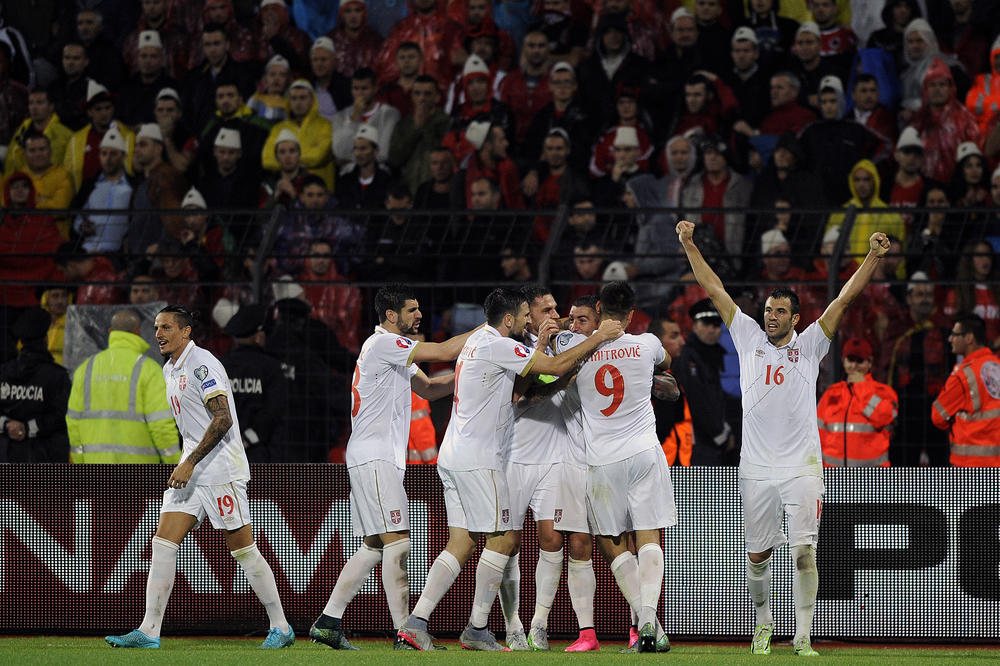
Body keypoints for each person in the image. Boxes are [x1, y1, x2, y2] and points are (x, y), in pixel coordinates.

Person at [676, 218, 891, 656]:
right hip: (756, 469)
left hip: (801, 467)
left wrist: (873, 255)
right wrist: (689, 244)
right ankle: (763, 624)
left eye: (778, 312)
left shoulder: (810, 344)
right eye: (767, 310)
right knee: (758, 556)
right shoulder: (747, 336)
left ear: (795, 318)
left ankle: (803, 635)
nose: (769, 316)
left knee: (803, 552)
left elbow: (844, 298)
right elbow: (714, 289)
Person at [396, 288, 624, 651]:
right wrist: (598, 337)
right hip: (481, 458)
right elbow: (552, 369)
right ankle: (477, 628)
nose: (528, 321)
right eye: (524, 315)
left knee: (462, 541)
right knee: (504, 540)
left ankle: (416, 622)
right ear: (508, 319)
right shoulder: (499, 345)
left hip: (454, 453)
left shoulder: (478, 340)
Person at [105, 306, 294, 649]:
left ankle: (281, 627)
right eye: (156, 327)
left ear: (186, 331)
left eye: (166, 327)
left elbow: (223, 419)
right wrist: (189, 461)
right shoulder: (169, 368)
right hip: (193, 466)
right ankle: (149, 630)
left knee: (243, 550)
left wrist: (190, 462)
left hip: (220, 469)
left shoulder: (202, 364)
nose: (158, 334)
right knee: (163, 542)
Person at [309, 284, 476, 649]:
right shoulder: (385, 344)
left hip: (373, 456)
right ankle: (406, 632)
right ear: (390, 315)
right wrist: (489, 330)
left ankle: (328, 622)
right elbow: (445, 351)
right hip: (375, 457)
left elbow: (429, 388)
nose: (419, 315)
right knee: (398, 542)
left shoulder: (391, 350)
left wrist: (471, 375)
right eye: (412, 310)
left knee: (374, 544)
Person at [557, 280, 677, 652]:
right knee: (649, 536)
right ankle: (649, 623)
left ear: (598, 310)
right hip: (644, 452)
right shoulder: (648, 343)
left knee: (613, 545)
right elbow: (667, 363)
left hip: (602, 460)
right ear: (631, 314)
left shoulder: (575, 346)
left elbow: (560, 344)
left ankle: (647, 623)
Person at [65, 309, 180, 464]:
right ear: (138, 332)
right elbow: (161, 426)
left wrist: (80, 461)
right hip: (138, 472)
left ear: (110, 332)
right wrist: (174, 464)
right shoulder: (150, 371)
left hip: (94, 468)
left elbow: (73, 422)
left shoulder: (85, 370)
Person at [0, 308, 71, 463]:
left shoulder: (4, 373)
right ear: (46, 340)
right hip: (45, 456)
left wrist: (7, 425)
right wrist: (28, 428)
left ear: (20, 343)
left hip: (7, 455)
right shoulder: (58, 376)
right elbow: (62, 416)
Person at [219, 305, 288, 463]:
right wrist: (248, 439)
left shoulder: (220, 366)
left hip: (223, 451)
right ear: (258, 337)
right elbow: (274, 410)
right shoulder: (272, 368)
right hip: (261, 453)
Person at [816, 337, 898, 467]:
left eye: (860, 361)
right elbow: (818, 434)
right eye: (850, 360)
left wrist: (861, 386)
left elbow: (883, 418)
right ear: (843, 360)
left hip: (872, 476)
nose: (854, 366)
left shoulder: (884, 392)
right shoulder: (831, 394)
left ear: (869, 363)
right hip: (834, 475)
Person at [932, 314, 1000, 467]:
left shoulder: (963, 375)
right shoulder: (997, 366)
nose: (950, 339)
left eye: (955, 334)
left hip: (970, 463)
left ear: (969, 338)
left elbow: (938, 417)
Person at [676, 299, 735, 465]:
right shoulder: (688, 357)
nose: (711, 329)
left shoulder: (712, 354)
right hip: (697, 440)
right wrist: (720, 434)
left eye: (716, 325)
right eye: (706, 324)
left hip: (711, 439)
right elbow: (697, 401)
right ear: (695, 326)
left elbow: (714, 399)